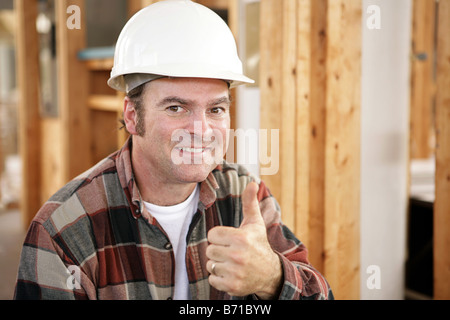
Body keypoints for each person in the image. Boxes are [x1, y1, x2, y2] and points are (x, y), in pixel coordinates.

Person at [14, 0, 332, 300]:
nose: (202, 130)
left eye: (216, 110)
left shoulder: (242, 196)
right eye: (177, 108)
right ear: (132, 116)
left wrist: (272, 278)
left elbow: (321, 292)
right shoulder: (64, 229)